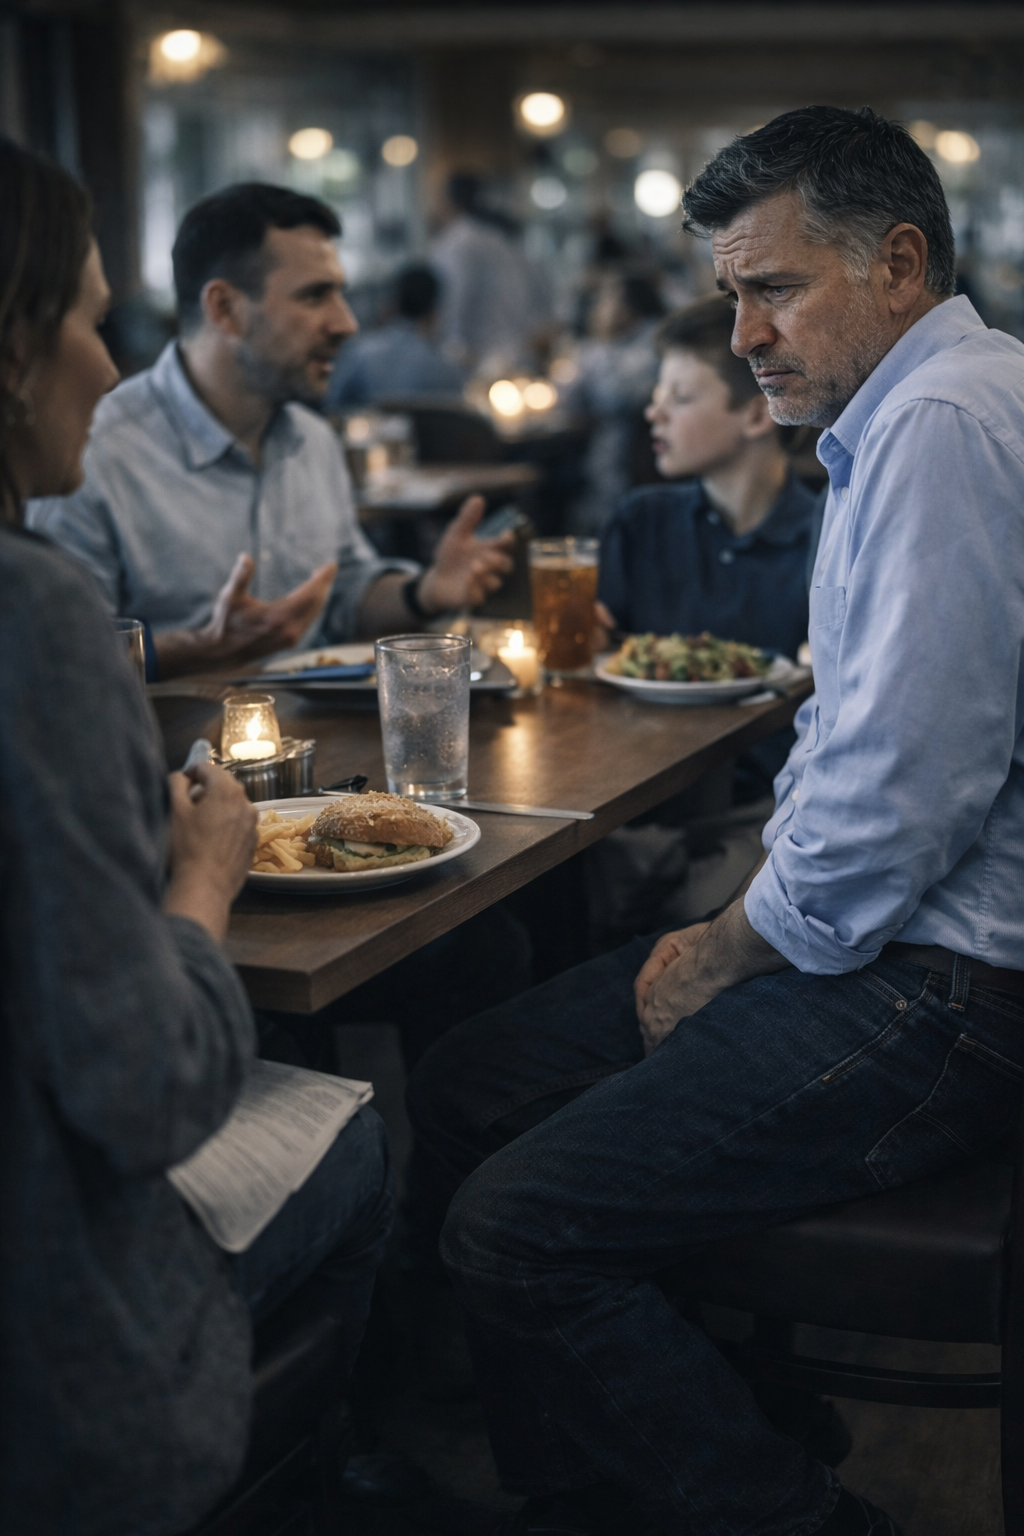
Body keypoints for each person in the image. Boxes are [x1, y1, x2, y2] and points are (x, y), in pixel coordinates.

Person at [406, 106, 1024, 1536]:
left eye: (774, 286)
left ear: (900, 262)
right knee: (468, 1080)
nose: (741, 333)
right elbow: (852, 755)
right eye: (730, 293)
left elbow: (897, 803)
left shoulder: (942, 422)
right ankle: (626, 1459)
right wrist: (735, 920)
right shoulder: (916, 417)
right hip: (892, 952)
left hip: (949, 995)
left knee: (511, 1227)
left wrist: (726, 946)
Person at [0, 139, 394, 1535]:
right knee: (365, 1135)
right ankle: (317, 1473)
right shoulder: (29, 611)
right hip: (54, 1346)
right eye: (85, 321)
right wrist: (205, 883)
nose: (107, 368)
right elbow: (149, 1090)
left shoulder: (315, 448)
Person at [27, 182, 512, 679]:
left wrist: (425, 590)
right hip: (171, 751)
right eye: (314, 295)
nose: (346, 323)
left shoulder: (313, 439)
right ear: (225, 309)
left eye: (339, 294)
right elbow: (59, 667)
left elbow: (343, 593)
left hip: (320, 742)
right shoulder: (91, 453)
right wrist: (198, 647)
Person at [585, 295, 822, 946]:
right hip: (630, 801)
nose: (652, 411)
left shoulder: (824, 539)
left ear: (753, 411)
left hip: (758, 817)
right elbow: (598, 671)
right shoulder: (641, 520)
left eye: (680, 398)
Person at [565, 273, 666, 535]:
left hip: (635, 458)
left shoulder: (653, 340)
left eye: (605, 300)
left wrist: (598, 345)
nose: (596, 309)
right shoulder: (606, 345)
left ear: (628, 307)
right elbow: (567, 399)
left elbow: (615, 397)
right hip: (608, 454)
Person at [431, 172, 545, 375]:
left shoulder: (458, 241)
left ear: (447, 200)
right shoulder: (499, 237)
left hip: (475, 356)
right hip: (516, 349)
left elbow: (454, 301)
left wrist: (451, 346)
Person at [326, 261, 465, 407]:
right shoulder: (448, 371)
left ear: (392, 304)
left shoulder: (360, 356)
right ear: (434, 314)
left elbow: (332, 406)